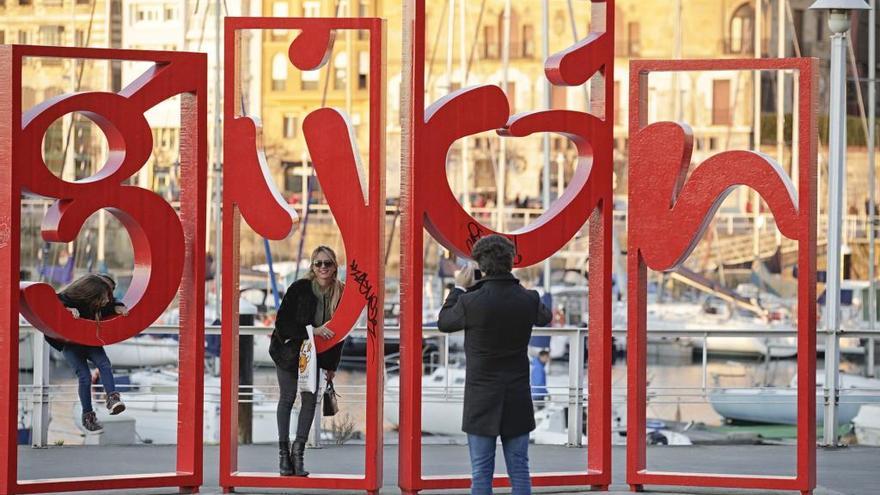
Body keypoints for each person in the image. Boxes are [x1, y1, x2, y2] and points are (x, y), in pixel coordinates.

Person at [438, 235, 552, 495]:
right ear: (511, 263)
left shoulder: (469, 301)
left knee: (481, 473)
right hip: (517, 395)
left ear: (480, 266)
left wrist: (458, 288)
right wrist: (521, 288)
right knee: (520, 470)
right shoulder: (528, 298)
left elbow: (444, 322)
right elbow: (544, 317)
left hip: (481, 397)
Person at [271, 246, 345, 477]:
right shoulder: (299, 288)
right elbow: (282, 322)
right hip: (289, 351)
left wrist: (332, 366)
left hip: (317, 357)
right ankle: (284, 456)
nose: (323, 267)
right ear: (312, 267)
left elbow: (340, 333)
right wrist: (312, 331)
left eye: (327, 263)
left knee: (310, 401)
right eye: (318, 263)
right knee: (287, 397)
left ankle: (298, 455)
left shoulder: (341, 293)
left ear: (335, 267)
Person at [48, 274, 128, 432]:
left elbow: (110, 305)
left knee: (104, 364)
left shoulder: (99, 302)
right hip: (70, 344)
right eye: (106, 294)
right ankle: (88, 417)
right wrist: (66, 310)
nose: (108, 298)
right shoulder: (67, 299)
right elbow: (53, 304)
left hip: (89, 341)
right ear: (93, 292)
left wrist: (116, 306)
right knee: (84, 377)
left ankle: (112, 398)